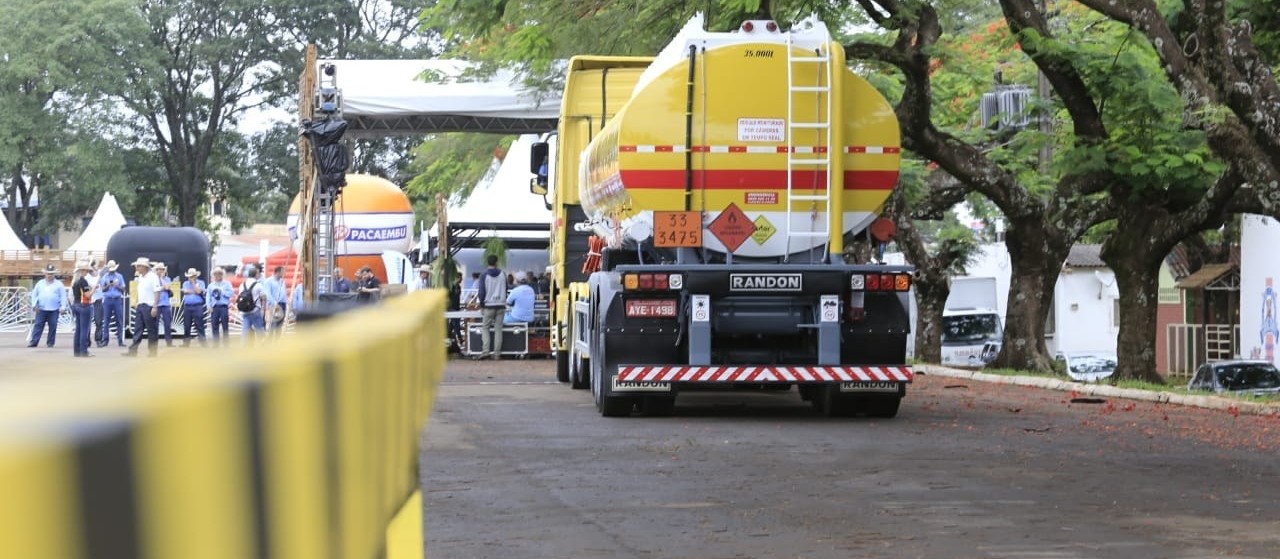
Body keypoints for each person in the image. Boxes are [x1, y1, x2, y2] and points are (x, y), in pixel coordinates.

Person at [125, 257, 161, 357]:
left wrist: (155, 306)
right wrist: (138, 302)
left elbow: (157, 291)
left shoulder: (153, 277)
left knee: (151, 330)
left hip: (149, 305)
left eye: (138, 266)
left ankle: (153, 352)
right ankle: (133, 350)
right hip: (141, 305)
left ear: (144, 267)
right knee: (138, 328)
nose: (136, 267)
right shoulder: (141, 277)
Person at [475, 255, 508, 360]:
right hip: (501, 305)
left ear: (487, 262)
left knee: (485, 328)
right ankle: (497, 354)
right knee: (498, 329)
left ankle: (486, 351)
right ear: (497, 262)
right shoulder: (503, 274)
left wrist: (482, 305)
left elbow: (481, 292)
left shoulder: (484, 275)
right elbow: (506, 288)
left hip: (489, 305)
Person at [29, 264, 67, 348]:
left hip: (54, 309)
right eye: (48, 273)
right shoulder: (40, 283)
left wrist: (63, 307)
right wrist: (34, 305)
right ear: (45, 274)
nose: (50, 275)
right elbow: (34, 294)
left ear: (54, 274)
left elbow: (63, 296)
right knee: (38, 325)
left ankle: (50, 342)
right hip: (41, 308)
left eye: (51, 274)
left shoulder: (59, 284)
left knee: (53, 325)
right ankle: (34, 342)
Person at [98, 259, 126, 347]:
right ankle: (105, 340)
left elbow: (124, 289)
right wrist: (108, 285)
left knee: (119, 320)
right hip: (108, 299)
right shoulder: (105, 277)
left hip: (117, 299)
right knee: (106, 321)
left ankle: (120, 341)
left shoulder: (120, 276)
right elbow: (103, 289)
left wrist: (116, 285)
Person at [70, 260, 95, 357]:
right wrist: (93, 289)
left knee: (78, 330)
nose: (87, 272)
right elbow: (87, 295)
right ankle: (83, 350)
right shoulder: (83, 281)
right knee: (84, 330)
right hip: (84, 305)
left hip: (76, 305)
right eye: (86, 271)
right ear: (83, 271)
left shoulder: (75, 281)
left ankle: (77, 351)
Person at [240, 265, 267, 342]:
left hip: (244, 310)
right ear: (256, 274)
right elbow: (263, 297)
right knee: (259, 329)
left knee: (245, 329)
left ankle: (243, 346)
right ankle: (264, 345)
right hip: (255, 310)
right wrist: (263, 309)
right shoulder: (258, 285)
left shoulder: (242, 285)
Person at [207, 268, 233, 346]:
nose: (218, 275)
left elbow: (231, 294)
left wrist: (223, 292)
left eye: (219, 273)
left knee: (225, 325)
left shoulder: (227, 284)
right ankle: (216, 343)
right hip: (214, 307)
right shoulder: (211, 285)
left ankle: (226, 344)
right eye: (216, 274)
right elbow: (208, 296)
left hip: (223, 306)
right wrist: (209, 306)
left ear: (222, 274)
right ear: (214, 275)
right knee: (214, 325)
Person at [181, 268, 207, 346]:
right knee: (187, 325)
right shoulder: (185, 283)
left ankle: (203, 342)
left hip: (197, 306)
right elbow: (185, 291)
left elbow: (199, 291)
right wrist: (194, 291)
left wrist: (193, 284)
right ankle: (186, 343)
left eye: (192, 276)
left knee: (199, 324)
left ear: (195, 276)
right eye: (190, 276)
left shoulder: (201, 282)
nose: (190, 277)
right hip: (187, 306)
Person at [154, 262, 175, 346]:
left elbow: (167, 287)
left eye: (162, 269)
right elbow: (156, 289)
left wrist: (162, 282)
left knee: (167, 324)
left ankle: (169, 342)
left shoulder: (167, 279)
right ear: (157, 270)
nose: (161, 271)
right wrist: (162, 287)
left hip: (165, 304)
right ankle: (154, 342)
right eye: (159, 269)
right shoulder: (154, 279)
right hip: (157, 304)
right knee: (155, 324)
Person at [264, 265, 287, 336]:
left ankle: (277, 342)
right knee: (273, 323)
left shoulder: (282, 281)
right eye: (283, 272)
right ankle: (270, 341)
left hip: (283, 304)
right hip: (274, 305)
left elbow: (284, 292)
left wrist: (286, 300)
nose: (284, 274)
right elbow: (267, 294)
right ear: (278, 272)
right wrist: (274, 303)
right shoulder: (268, 281)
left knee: (280, 324)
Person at [87, 258, 104, 347]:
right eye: (95, 265)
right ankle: (87, 341)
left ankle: (98, 339)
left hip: (98, 300)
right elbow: (88, 287)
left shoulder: (100, 275)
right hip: (89, 301)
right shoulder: (86, 277)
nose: (97, 267)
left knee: (99, 321)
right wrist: (94, 286)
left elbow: (104, 285)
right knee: (88, 322)